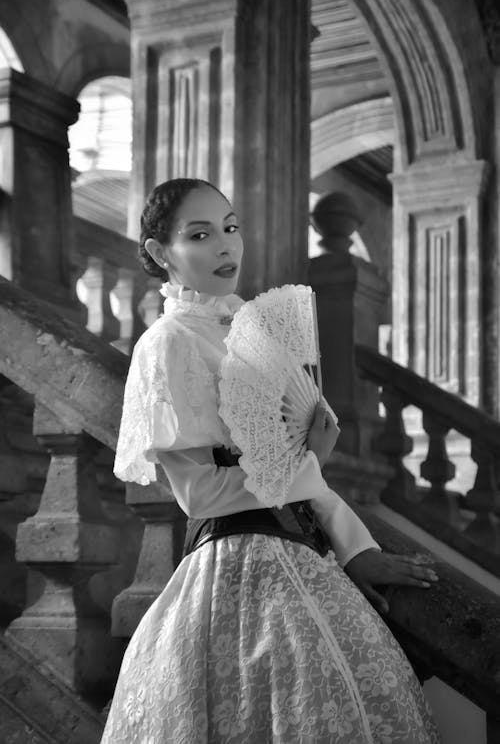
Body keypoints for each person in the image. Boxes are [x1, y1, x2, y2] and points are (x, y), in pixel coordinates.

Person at [102, 178, 441, 743]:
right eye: (200, 234)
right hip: (234, 567)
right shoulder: (166, 343)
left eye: (231, 229)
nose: (225, 247)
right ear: (162, 253)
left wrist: (357, 549)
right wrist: (307, 463)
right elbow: (201, 495)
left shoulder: (251, 332)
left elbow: (300, 468)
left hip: (303, 556)